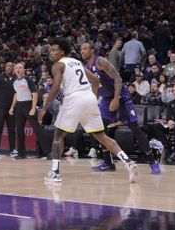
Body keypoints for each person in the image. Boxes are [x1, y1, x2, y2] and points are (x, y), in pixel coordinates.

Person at [42, 37, 138, 184]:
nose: (51, 52)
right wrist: (90, 97)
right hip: (89, 98)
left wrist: (44, 108)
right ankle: (129, 162)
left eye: (54, 50)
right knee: (101, 136)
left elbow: (55, 88)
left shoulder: (58, 65)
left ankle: (54, 172)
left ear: (62, 52)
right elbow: (95, 81)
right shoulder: (78, 63)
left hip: (74, 99)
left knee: (58, 136)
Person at [80, 43, 162, 174]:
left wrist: (116, 98)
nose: (82, 51)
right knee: (99, 130)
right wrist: (92, 102)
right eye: (81, 49)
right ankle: (108, 163)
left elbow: (118, 78)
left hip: (121, 96)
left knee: (135, 128)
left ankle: (152, 161)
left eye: (85, 48)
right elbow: (95, 86)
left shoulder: (100, 61)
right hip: (106, 99)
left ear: (92, 50)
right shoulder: (86, 67)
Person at [8, 63, 49, 159]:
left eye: (20, 68)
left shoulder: (28, 80)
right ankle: (21, 153)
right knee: (19, 130)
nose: (18, 69)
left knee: (37, 129)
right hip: (19, 106)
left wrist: (33, 108)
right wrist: (12, 107)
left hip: (29, 105)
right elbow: (16, 95)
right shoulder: (14, 81)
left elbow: (34, 94)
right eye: (16, 68)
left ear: (24, 70)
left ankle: (49, 152)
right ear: (14, 70)